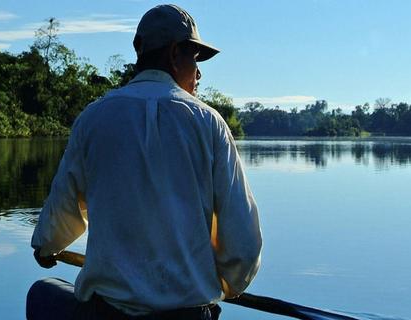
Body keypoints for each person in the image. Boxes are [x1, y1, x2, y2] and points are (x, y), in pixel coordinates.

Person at [26, 4, 262, 320]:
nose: (199, 72)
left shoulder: (93, 118)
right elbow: (243, 246)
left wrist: (45, 246)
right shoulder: (209, 123)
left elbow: (62, 211)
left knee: (42, 292)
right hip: (189, 315)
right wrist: (223, 285)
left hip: (108, 313)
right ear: (175, 53)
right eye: (195, 58)